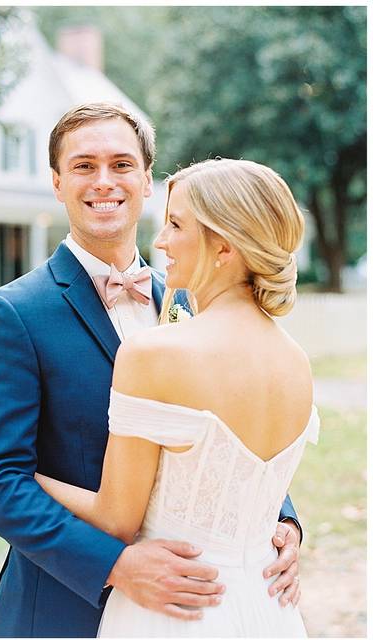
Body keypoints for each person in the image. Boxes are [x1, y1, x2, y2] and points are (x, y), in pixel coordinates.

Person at [0, 103, 303, 638]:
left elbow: (229, 434)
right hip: (61, 610)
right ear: (56, 183)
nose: (104, 181)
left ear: (148, 181)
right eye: (83, 166)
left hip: (200, 605)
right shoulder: (13, 314)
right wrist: (114, 566)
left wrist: (280, 520)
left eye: (122, 164)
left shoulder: (191, 298)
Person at [34, 157, 316, 636]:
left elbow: (116, 520)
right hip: (268, 608)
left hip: (175, 609)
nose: (160, 241)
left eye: (175, 225)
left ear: (224, 245)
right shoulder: (297, 362)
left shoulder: (153, 354)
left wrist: (31, 474)